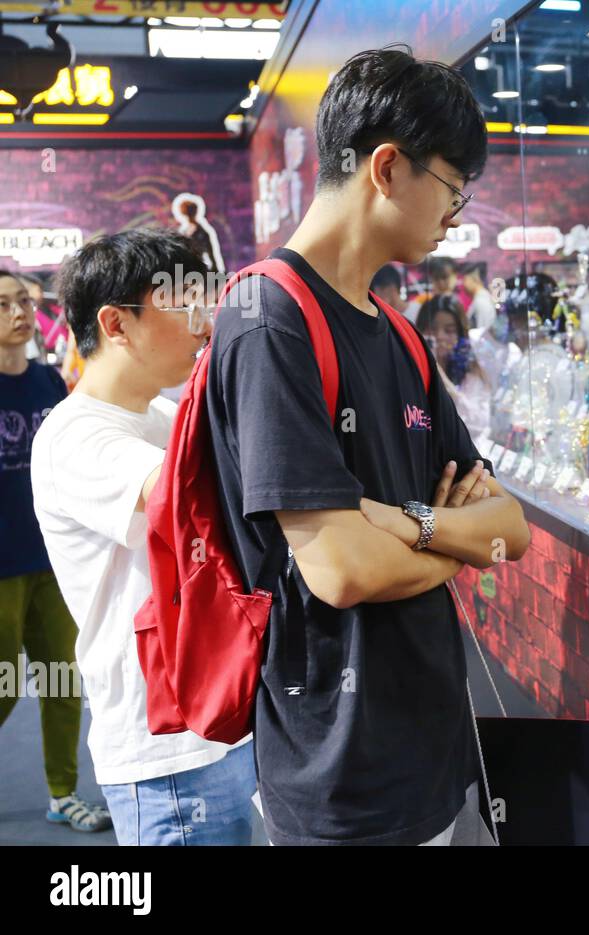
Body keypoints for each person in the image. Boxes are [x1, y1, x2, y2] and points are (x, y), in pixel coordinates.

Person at [206, 46, 530, 846]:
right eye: (454, 188)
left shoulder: (400, 338)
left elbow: (510, 529)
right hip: (343, 784)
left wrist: (396, 518)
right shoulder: (268, 319)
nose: (458, 215)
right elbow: (341, 568)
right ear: (388, 168)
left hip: (443, 755)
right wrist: (453, 545)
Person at [30, 232, 258, 845]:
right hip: (164, 756)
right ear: (116, 324)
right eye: (184, 303)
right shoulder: (73, 435)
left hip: (220, 719)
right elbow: (195, 502)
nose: (203, 321)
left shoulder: (161, 417)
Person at [0, 269, 108, 833]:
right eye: (3, 304)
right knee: (2, 693)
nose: (18, 312)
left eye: (23, 301)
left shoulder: (48, 382)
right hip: (0, 571)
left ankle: (62, 792)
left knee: (62, 682)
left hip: (50, 561)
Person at [418, 295, 491, 439]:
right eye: (432, 330)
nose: (439, 336)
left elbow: (477, 425)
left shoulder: (470, 371)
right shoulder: (411, 370)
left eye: (449, 331)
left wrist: (444, 381)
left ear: (460, 335)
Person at [459, 261, 494, 331]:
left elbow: (482, 335)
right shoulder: (480, 300)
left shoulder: (481, 302)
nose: (463, 284)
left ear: (475, 279)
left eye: (465, 279)